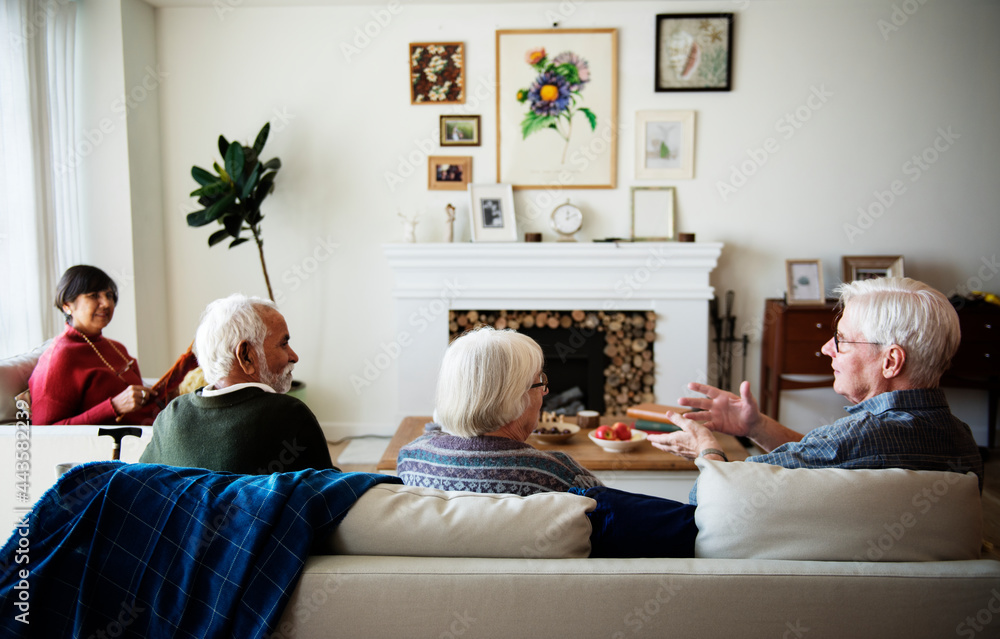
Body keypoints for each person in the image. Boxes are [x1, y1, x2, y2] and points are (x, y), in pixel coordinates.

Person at [648, 277, 984, 499]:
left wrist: (705, 447)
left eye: (841, 339)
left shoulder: (856, 439)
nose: (826, 349)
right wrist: (757, 426)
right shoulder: (965, 445)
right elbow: (823, 461)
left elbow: (714, 495)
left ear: (891, 362)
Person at [139, 294, 338, 474]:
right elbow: (329, 496)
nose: (294, 356)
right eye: (283, 344)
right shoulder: (291, 416)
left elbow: (141, 484)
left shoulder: (170, 416)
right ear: (246, 356)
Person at [397, 326, 602, 496]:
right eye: (540, 382)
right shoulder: (563, 477)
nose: (545, 392)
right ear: (515, 398)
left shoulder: (411, 458)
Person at [29, 265, 159, 425]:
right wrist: (113, 407)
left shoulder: (117, 348)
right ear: (67, 305)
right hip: (116, 446)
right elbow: (45, 432)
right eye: (94, 295)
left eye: (109, 295)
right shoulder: (59, 357)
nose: (106, 303)